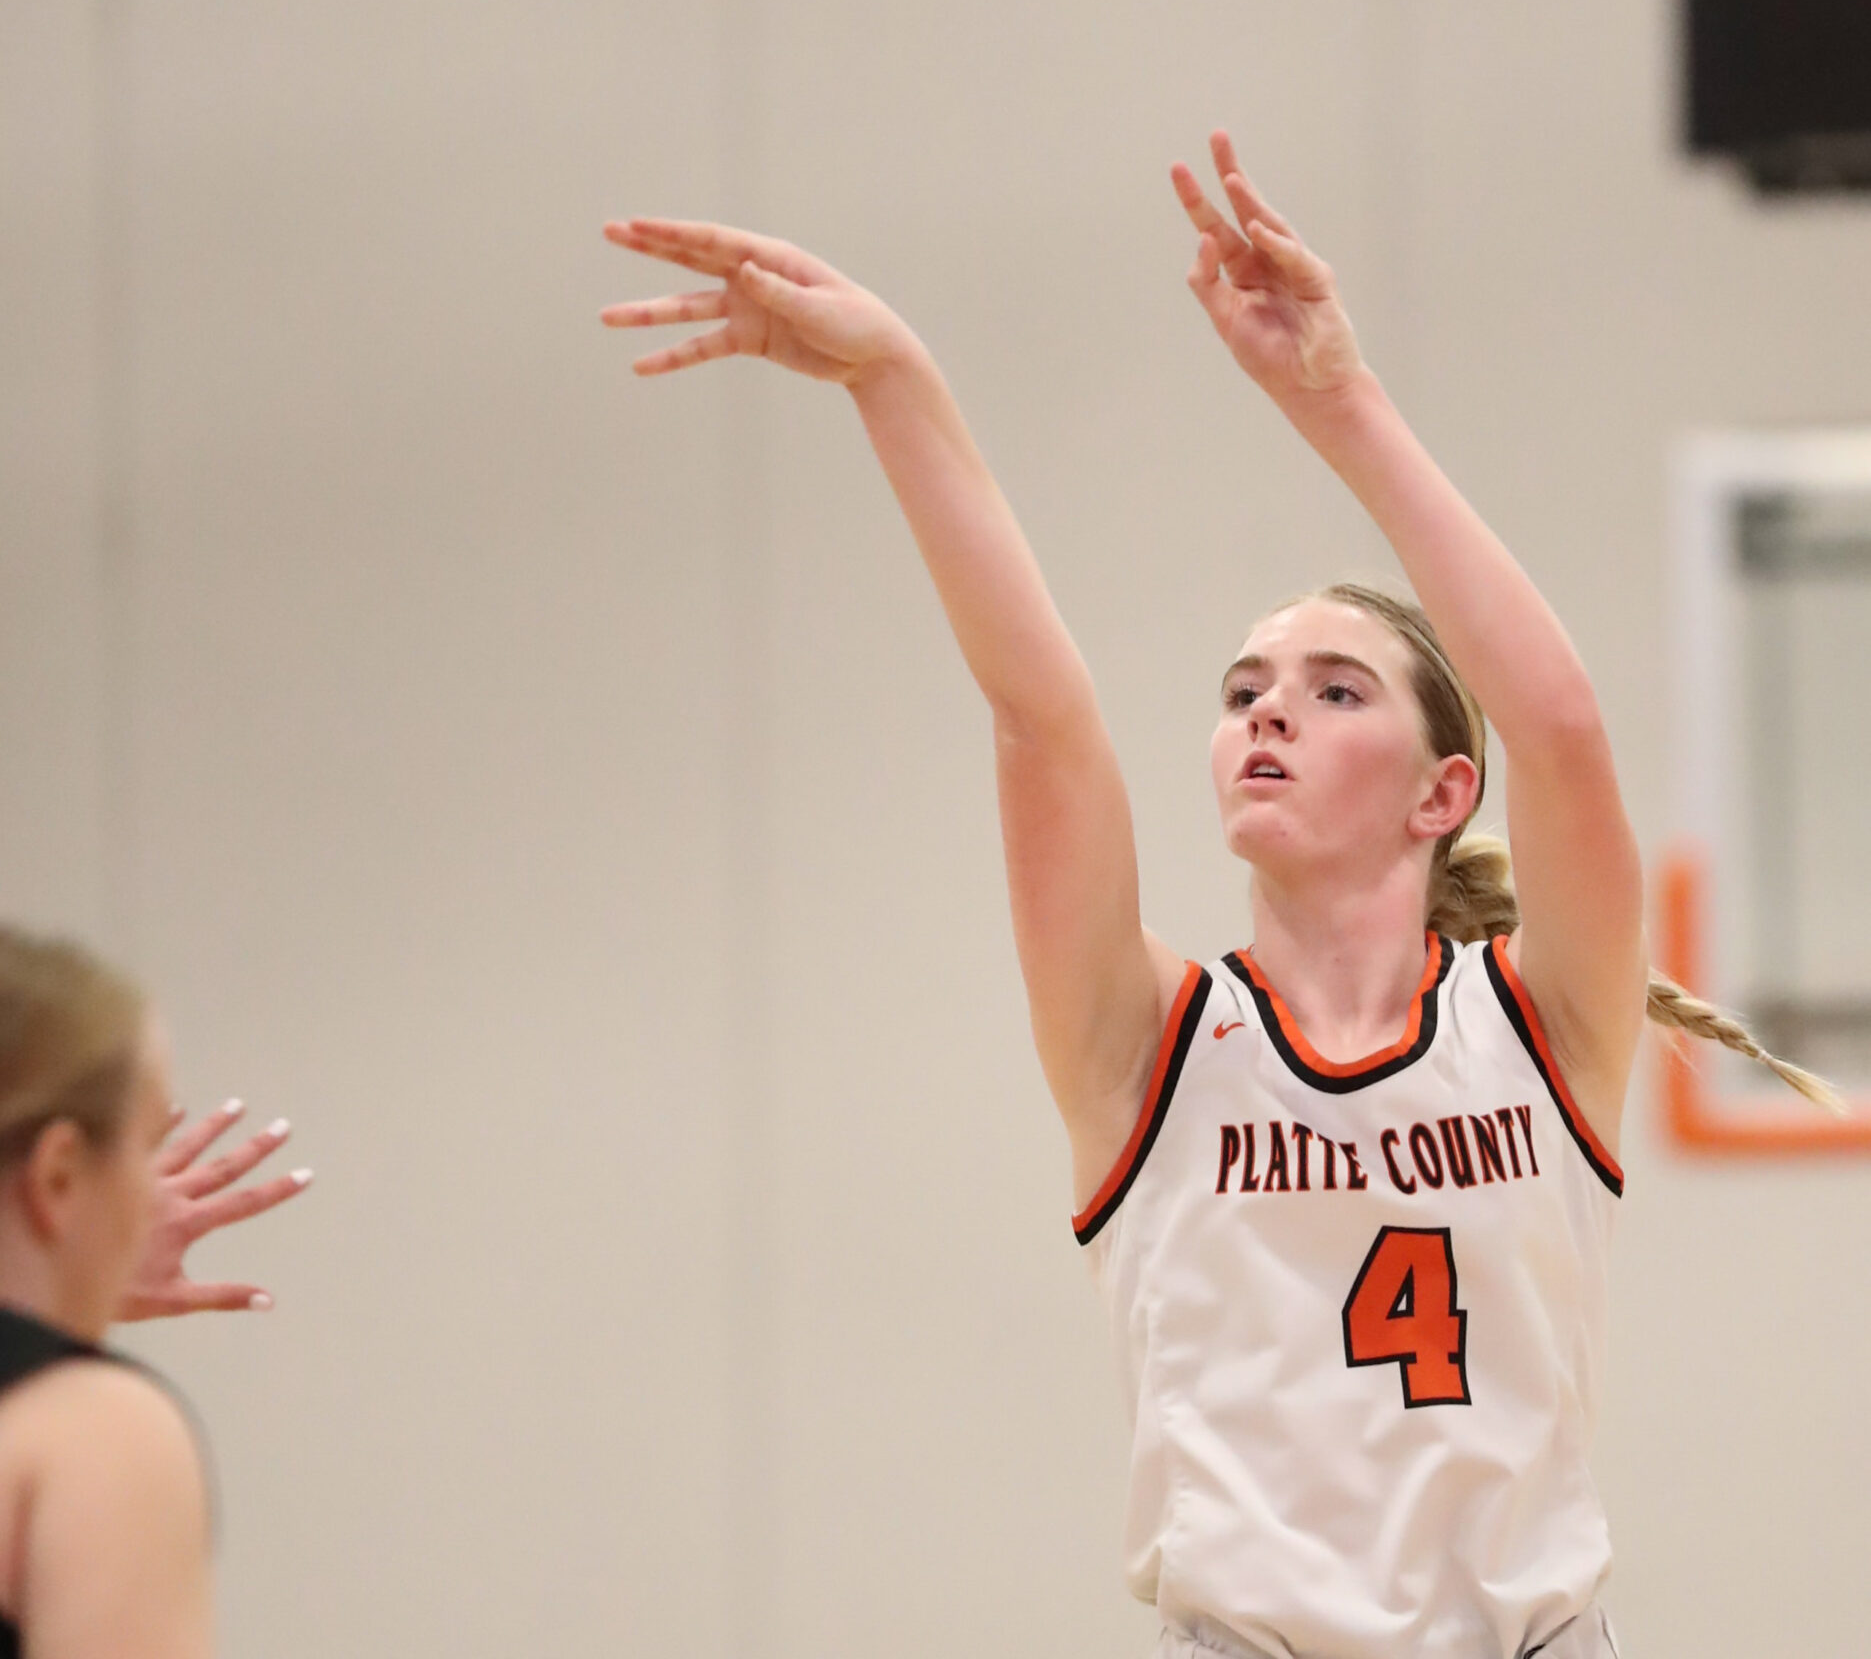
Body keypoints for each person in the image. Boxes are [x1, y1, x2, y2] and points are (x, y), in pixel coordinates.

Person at [601, 136, 1829, 1659]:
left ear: (1440, 794)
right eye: (1244, 688)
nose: (1266, 711)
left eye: (1332, 690)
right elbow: (1040, 721)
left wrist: (1334, 396)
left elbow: (1561, 729)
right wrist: (893, 381)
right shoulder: (1147, 1046)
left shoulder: (1543, 1025)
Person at [0, 923, 309, 1658]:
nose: (158, 1197)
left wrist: (62, 1277)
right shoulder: (91, 1430)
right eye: (146, 1146)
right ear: (58, 1174)